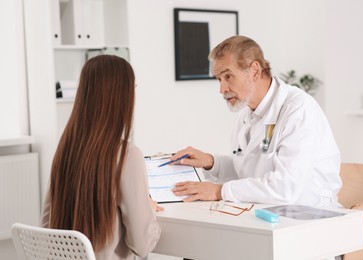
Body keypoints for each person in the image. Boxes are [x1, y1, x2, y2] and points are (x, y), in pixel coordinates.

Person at [171, 35, 342, 208]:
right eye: (219, 79)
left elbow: (285, 188)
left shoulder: (299, 109)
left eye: (228, 76)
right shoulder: (245, 115)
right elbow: (248, 173)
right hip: (269, 214)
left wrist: (218, 191)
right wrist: (211, 162)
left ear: (254, 71)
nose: (222, 89)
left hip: (314, 216)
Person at [41, 55, 163, 260]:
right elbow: (142, 246)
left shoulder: (65, 151)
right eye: (133, 88)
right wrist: (148, 210)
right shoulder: (128, 155)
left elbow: (46, 226)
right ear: (121, 96)